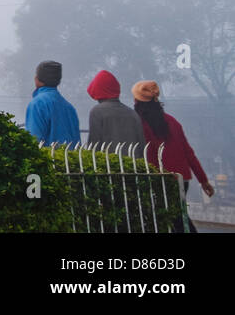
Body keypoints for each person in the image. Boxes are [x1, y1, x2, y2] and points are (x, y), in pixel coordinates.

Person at [132, 80, 213, 231]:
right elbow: (188, 153)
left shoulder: (140, 124)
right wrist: (203, 180)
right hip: (181, 178)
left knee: (174, 220)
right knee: (178, 217)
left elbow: (147, 154)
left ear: (137, 101)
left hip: (159, 178)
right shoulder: (172, 121)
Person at [86, 69, 145, 152]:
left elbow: (94, 144)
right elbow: (142, 146)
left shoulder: (97, 112)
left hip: (109, 163)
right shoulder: (132, 113)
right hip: (132, 163)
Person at [24, 60, 80, 145]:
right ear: (58, 81)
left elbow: (33, 142)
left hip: (48, 157)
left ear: (37, 79)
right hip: (69, 157)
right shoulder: (69, 107)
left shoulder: (37, 104)